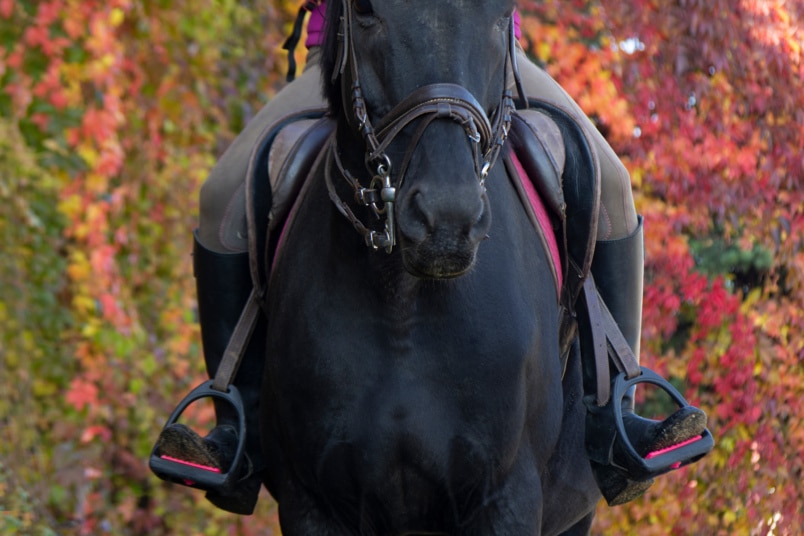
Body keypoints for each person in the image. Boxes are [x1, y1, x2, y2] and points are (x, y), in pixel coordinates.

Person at [154, 1, 708, 513]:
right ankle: (238, 426)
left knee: (610, 181)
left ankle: (616, 416)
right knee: (222, 194)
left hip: (479, 49)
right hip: (360, 49)